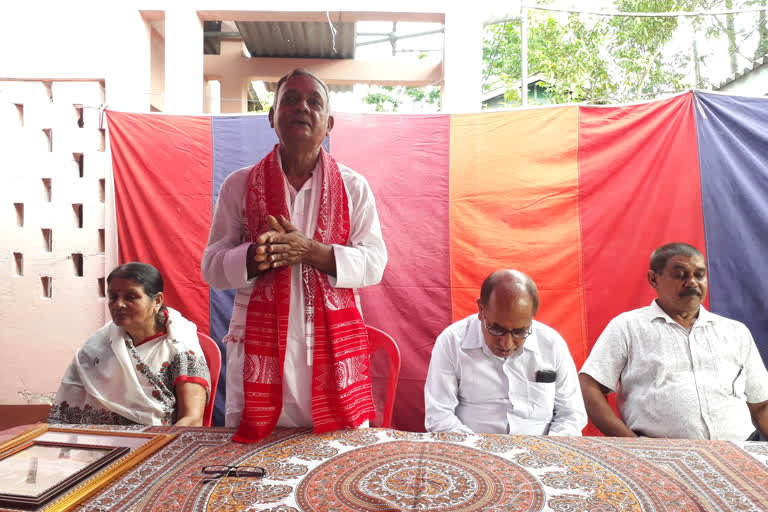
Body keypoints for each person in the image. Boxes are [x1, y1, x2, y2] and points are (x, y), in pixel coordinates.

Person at [201, 68, 387, 442]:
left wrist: (313, 252)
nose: (302, 107)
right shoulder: (240, 185)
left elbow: (374, 263)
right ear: (271, 117)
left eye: (313, 101)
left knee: (336, 462)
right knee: (255, 469)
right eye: (289, 99)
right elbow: (212, 267)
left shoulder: (354, 187)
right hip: (260, 353)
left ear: (329, 123)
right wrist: (256, 256)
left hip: (332, 354)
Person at [579, 242, 768, 441]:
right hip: (660, 458)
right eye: (680, 275)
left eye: (699, 275)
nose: (692, 282)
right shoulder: (628, 327)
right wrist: (632, 445)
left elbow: (762, 404)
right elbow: (589, 386)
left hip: (740, 453)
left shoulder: (735, 331)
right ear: (653, 279)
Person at [424, 269, 586, 435]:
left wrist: (546, 452)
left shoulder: (552, 344)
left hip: (542, 450)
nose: (506, 343)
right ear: (481, 310)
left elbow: (572, 414)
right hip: (472, 449)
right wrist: (476, 449)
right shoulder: (452, 342)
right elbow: (439, 415)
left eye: (520, 332)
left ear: (531, 318)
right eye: (496, 329)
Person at [48, 262, 209, 426]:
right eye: (113, 297)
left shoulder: (180, 346)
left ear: (157, 301)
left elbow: (192, 419)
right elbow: (68, 412)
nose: (118, 304)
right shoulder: (98, 344)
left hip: (155, 443)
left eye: (131, 297)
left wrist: (158, 447)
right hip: (95, 442)